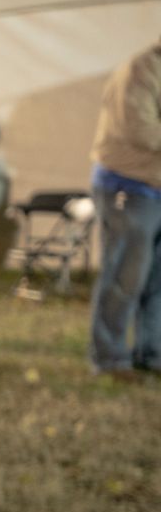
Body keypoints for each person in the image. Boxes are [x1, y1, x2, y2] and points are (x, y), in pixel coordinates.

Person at [87, 37, 161, 377]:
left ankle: (153, 353)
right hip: (128, 186)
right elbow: (140, 129)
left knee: (157, 279)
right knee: (125, 276)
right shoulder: (140, 70)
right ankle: (110, 358)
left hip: (156, 186)